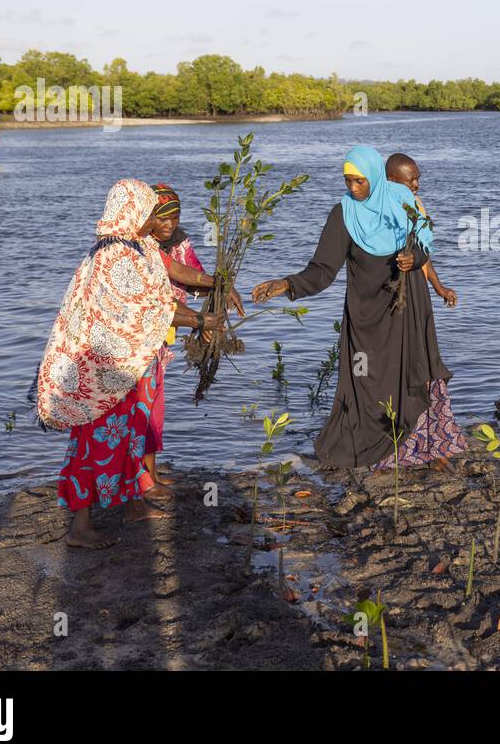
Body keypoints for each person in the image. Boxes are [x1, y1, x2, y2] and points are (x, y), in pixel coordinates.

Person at [36, 178, 228, 549]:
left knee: (130, 434)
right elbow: (149, 308)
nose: (151, 217)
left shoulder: (137, 246)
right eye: (146, 209)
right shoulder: (114, 255)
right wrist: (201, 321)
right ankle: (80, 527)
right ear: (132, 210)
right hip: (102, 373)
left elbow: (173, 269)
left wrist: (216, 282)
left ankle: (133, 506)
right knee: (95, 441)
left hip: (123, 367)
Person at [251, 145, 466, 471]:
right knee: (366, 380)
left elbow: (423, 248)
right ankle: (380, 451)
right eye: (348, 181)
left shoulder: (402, 201)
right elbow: (323, 269)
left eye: (360, 181)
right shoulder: (343, 214)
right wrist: (287, 284)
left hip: (410, 307)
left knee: (415, 373)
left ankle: (429, 448)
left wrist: (414, 259)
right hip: (367, 316)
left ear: (376, 178)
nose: (353, 188)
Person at [144, 183, 243, 490]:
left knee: (154, 403)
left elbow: (191, 274)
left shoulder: (177, 242)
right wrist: (200, 321)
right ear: (147, 217)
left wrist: (219, 287)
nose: (169, 224)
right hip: (142, 333)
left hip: (167, 330)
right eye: (161, 217)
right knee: (144, 403)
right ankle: (142, 478)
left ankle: (151, 472)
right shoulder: (138, 249)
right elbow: (157, 300)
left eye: (174, 217)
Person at [385, 152, 457, 307]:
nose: (417, 185)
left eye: (418, 178)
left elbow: (423, 251)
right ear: (392, 181)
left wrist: (439, 288)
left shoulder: (416, 206)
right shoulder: (385, 212)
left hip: (418, 287)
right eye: (411, 180)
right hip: (394, 291)